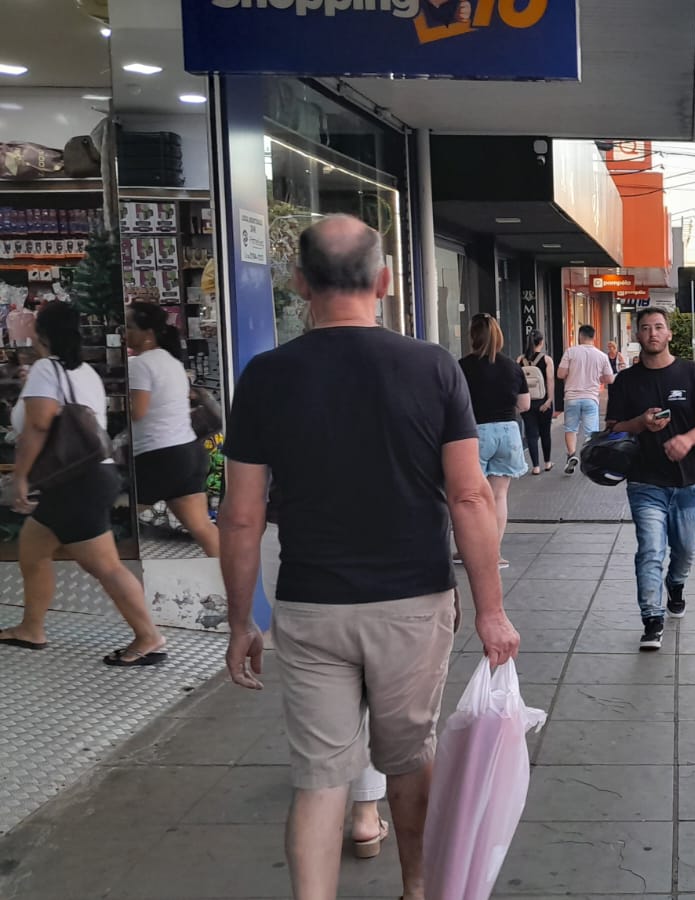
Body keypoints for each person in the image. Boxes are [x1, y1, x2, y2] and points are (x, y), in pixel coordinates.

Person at [218, 214, 519, 900]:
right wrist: (491, 611)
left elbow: (240, 515)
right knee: (409, 760)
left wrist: (241, 622)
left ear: (300, 284)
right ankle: (417, 890)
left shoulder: (265, 376)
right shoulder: (433, 367)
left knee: (319, 779)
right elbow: (470, 497)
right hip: (412, 602)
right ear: (384, 282)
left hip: (310, 604)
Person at [0, 303, 165, 665]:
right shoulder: (82, 372)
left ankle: (148, 636)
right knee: (32, 550)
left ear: (41, 334)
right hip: (86, 477)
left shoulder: (47, 369)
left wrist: (22, 476)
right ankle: (31, 627)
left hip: (76, 483)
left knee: (105, 566)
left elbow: (39, 425)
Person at [605, 307, 695, 650]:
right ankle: (652, 619)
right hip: (644, 481)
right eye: (645, 328)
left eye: (658, 327)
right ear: (637, 335)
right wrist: (640, 423)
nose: (652, 333)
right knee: (651, 549)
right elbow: (613, 427)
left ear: (669, 333)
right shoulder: (626, 381)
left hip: (689, 483)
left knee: (686, 548)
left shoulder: (692, 372)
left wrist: (688, 439)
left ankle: (676, 583)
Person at [125, 301, 219, 557]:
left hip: (158, 457)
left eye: (129, 327)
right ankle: (233, 576)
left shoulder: (139, 365)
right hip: (188, 453)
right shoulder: (172, 362)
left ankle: (114, 576)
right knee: (202, 528)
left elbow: (137, 411)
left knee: (118, 526)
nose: (125, 333)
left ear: (148, 333)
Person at [459, 313, 529, 567]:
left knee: (472, 497)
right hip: (508, 432)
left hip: (474, 433)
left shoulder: (462, 366)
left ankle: (470, 551)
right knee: (499, 496)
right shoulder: (512, 366)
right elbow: (525, 404)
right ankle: (494, 554)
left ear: (472, 336)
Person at [556, 323, 613, 475]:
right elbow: (610, 378)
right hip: (591, 398)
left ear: (580, 336)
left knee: (571, 429)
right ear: (594, 337)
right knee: (590, 432)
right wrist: (598, 378)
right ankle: (588, 460)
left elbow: (560, 374)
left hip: (572, 398)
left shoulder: (570, 352)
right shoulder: (601, 356)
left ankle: (571, 455)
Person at [517, 332, 556, 473]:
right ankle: (547, 463)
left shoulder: (520, 360)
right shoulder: (547, 360)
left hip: (526, 402)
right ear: (541, 342)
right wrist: (549, 400)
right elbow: (550, 381)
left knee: (531, 434)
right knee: (545, 433)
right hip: (543, 401)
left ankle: (535, 466)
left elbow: (517, 382)